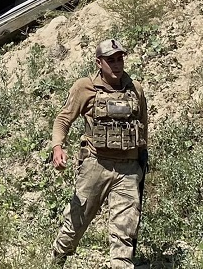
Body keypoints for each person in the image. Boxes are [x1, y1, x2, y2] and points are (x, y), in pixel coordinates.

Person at [50, 38, 148, 267]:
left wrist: (142, 158)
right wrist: (57, 147)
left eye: (120, 59)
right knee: (75, 225)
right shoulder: (85, 87)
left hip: (128, 170)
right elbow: (63, 119)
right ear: (98, 62)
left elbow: (143, 125)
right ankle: (56, 262)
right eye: (110, 60)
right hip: (96, 165)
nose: (116, 64)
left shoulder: (136, 89)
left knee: (124, 231)